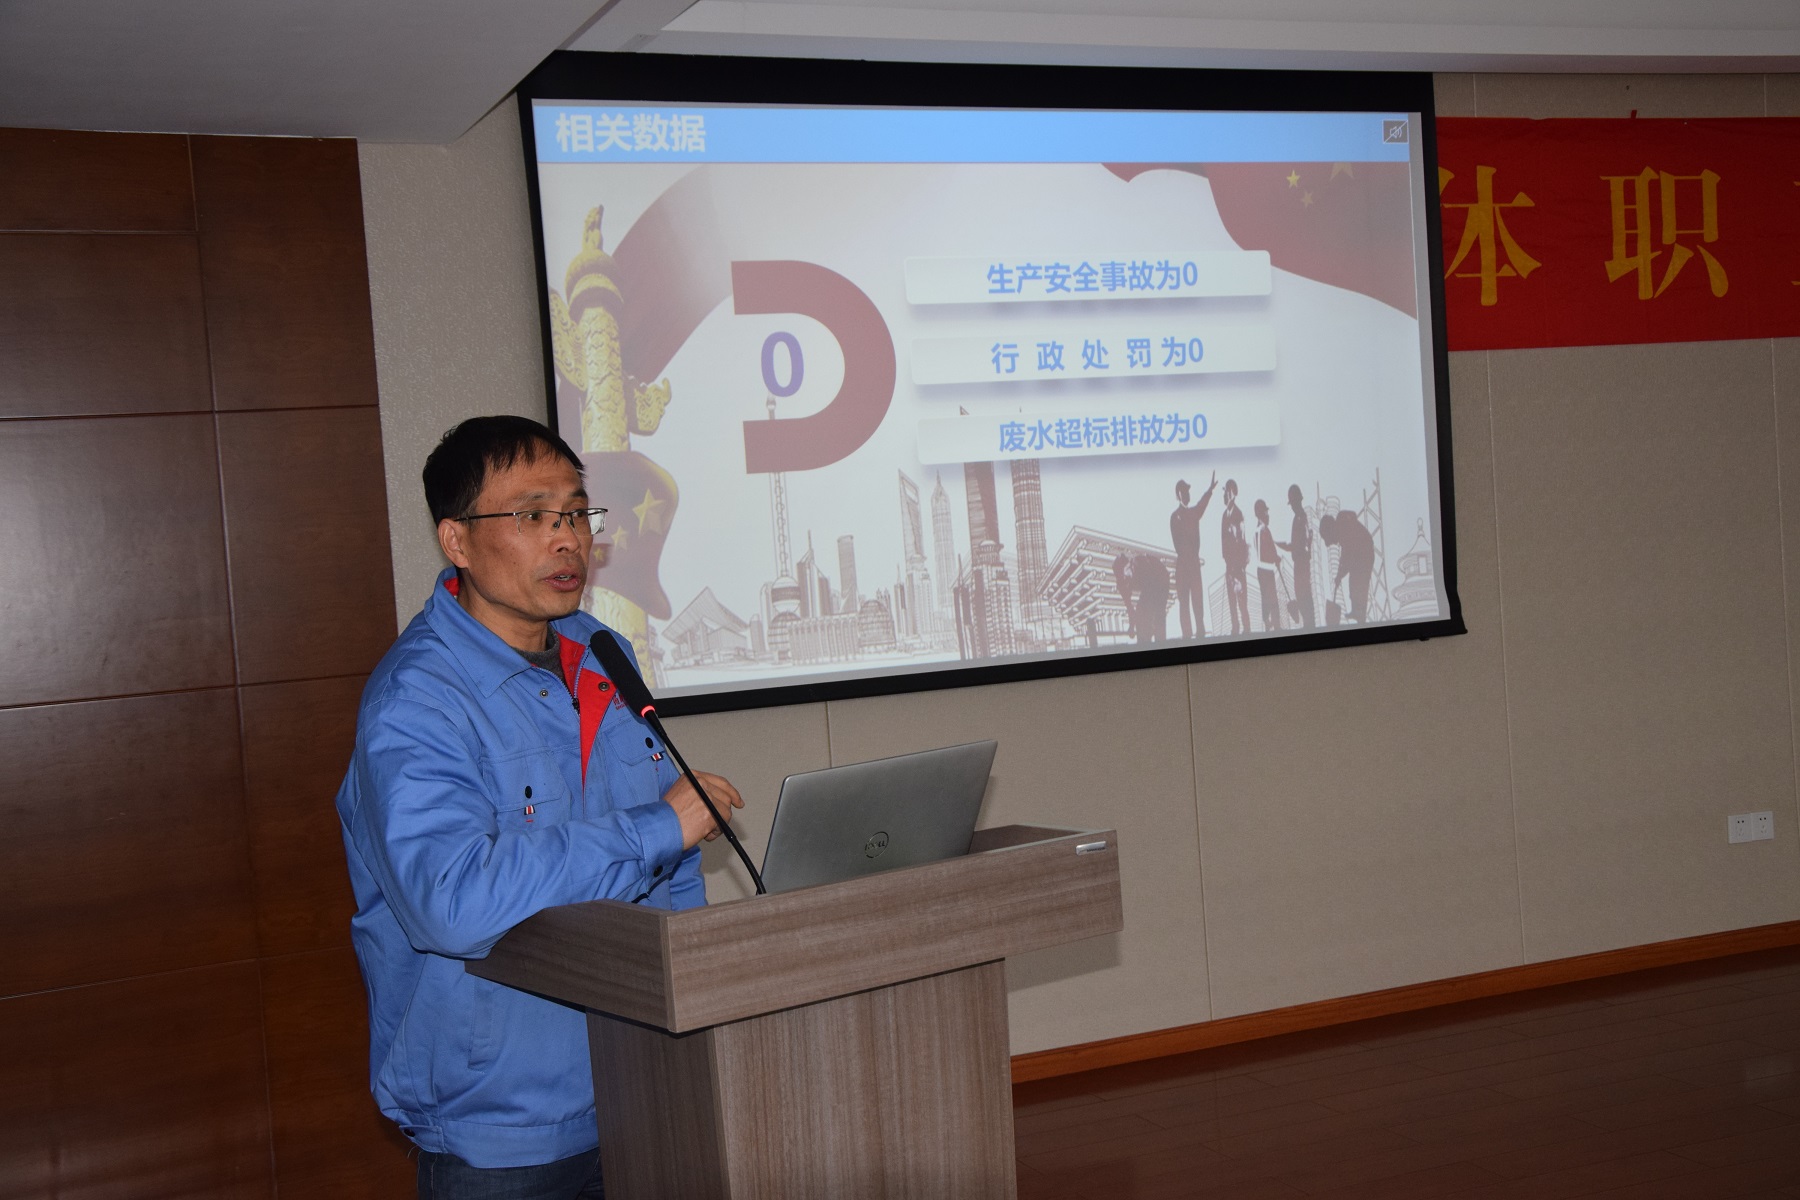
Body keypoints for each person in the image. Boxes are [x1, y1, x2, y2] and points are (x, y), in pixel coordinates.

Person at [335, 416, 744, 1200]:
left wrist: (699, 1002)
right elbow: (452, 901)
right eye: (533, 515)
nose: (567, 538)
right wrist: (655, 829)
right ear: (457, 541)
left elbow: (670, 871)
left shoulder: (601, 652)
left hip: (641, 1082)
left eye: (577, 513)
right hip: (505, 1129)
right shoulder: (417, 701)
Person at [1169, 473, 1216, 639]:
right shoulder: (1175, 517)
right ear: (1179, 494)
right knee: (1184, 603)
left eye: (1188, 491)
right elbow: (1178, 544)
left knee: (1197, 601)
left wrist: (1210, 490)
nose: (1188, 494)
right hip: (1183, 565)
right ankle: (1187, 637)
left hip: (1193, 564)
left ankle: (1200, 633)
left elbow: (1202, 504)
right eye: (1185, 491)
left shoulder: (1192, 513)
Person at [1319, 507, 1376, 624]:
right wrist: (1340, 575)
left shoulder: (1343, 527)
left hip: (1364, 555)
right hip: (1359, 555)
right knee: (1353, 583)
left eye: (1329, 539)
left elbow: (1348, 557)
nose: (1332, 542)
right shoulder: (1342, 529)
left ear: (1330, 530)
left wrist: (1340, 575)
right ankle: (1356, 611)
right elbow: (1345, 556)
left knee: (1359, 585)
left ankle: (1360, 615)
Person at [1276, 484, 1314, 630]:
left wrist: (1281, 545)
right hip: (1301, 562)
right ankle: (1308, 625)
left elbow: (1298, 544)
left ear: (1298, 501)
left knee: (1304, 596)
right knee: (1302, 595)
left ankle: (1309, 626)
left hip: (1301, 563)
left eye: (1293, 502)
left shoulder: (1300, 518)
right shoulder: (1300, 518)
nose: (1292, 506)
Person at [1220, 479, 1250, 636]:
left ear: (1233, 493)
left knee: (1242, 603)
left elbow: (1242, 540)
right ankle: (1235, 630)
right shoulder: (1224, 516)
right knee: (1232, 602)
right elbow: (1223, 542)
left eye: (1227, 491)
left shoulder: (1238, 514)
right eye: (1225, 491)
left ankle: (1247, 631)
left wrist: (1239, 567)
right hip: (1229, 567)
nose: (1225, 494)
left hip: (1238, 568)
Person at [1253, 499, 1281, 633]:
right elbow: (1265, 552)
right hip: (1266, 570)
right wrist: (1275, 558)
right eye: (1265, 512)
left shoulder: (1261, 530)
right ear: (1260, 513)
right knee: (1271, 599)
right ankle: (1275, 627)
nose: (1267, 515)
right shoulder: (1262, 530)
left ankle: (1270, 625)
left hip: (1264, 570)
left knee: (1267, 598)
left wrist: (1275, 558)